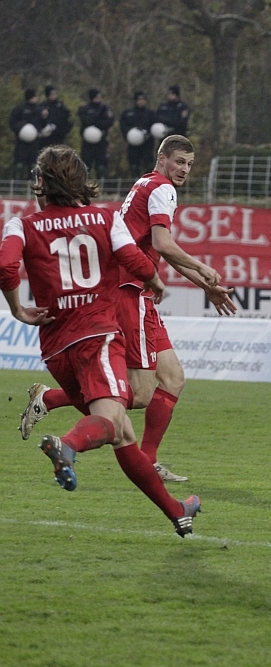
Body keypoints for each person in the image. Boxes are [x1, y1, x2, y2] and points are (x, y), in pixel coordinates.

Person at [0, 145, 201, 537]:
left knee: (123, 432)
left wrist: (18, 309)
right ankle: (68, 446)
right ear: (81, 181)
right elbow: (136, 260)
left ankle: (178, 511)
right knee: (112, 418)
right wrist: (155, 280)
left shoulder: (20, 225)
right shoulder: (106, 218)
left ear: (41, 182)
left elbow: (6, 266)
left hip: (55, 348)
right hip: (97, 337)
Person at [19, 135, 237, 483]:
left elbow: (157, 248)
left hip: (138, 291)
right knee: (138, 394)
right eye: (179, 161)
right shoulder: (162, 188)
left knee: (173, 378)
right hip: (131, 290)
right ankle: (53, 401)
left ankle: (148, 461)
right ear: (162, 158)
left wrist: (204, 285)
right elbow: (163, 243)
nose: (184, 169)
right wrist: (203, 268)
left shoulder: (146, 184)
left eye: (189, 164)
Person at [9, 89, 48, 180]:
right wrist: (22, 129)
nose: (37, 98)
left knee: (33, 163)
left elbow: (42, 125)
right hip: (21, 141)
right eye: (35, 96)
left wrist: (44, 117)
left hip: (35, 141)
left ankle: (32, 184)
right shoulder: (20, 109)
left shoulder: (39, 110)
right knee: (19, 163)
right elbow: (12, 123)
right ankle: (17, 184)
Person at [77, 89, 114, 179]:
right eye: (97, 97)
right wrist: (96, 118)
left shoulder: (105, 109)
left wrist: (97, 124)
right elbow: (85, 121)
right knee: (85, 166)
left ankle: (101, 184)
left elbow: (109, 121)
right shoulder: (84, 109)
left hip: (101, 142)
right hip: (87, 143)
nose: (99, 98)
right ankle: (84, 184)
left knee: (101, 166)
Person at [120, 92, 156, 178]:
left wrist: (147, 133)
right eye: (139, 100)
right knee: (134, 165)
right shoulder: (128, 113)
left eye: (143, 100)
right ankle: (135, 181)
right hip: (133, 144)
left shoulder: (150, 113)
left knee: (149, 164)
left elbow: (154, 126)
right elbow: (123, 125)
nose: (141, 102)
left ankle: (148, 182)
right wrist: (128, 133)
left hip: (147, 143)